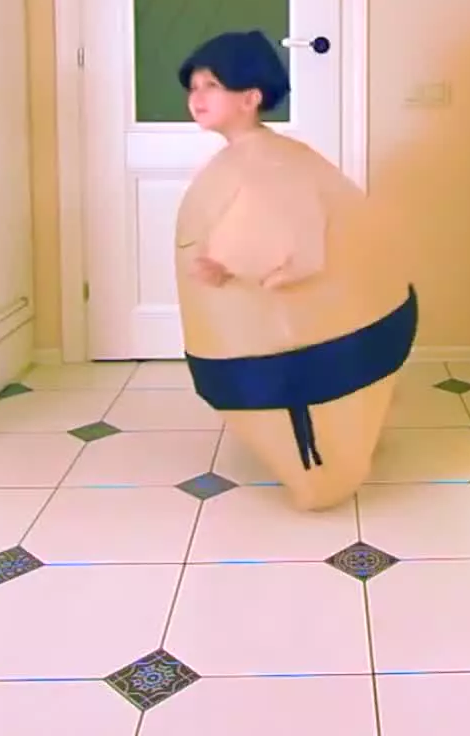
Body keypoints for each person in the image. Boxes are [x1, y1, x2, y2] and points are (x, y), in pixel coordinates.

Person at [171, 29, 417, 511]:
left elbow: (291, 230)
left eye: (211, 86)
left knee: (317, 423)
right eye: (193, 86)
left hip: (323, 349)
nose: (197, 97)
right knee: (333, 403)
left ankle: (325, 478)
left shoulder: (268, 161)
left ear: (250, 97)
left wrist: (226, 262)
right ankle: (346, 441)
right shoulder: (261, 155)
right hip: (372, 325)